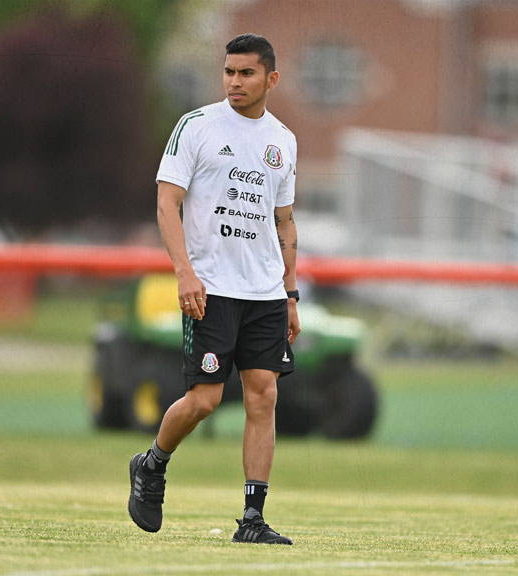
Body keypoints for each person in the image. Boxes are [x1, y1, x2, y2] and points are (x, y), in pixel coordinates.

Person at [128, 33, 300, 546]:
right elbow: (166, 204)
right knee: (203, 401)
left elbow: (285, 223)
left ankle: (251, 519)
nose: (234, 82)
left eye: (246, 73)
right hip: (211, 289)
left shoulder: (284, 140)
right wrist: (184, 271)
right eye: (229, 71)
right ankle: (152, 464)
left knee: (263, 396)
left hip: (266, 293)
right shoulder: (197, 126)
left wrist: (290, 295)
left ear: (271, 78)